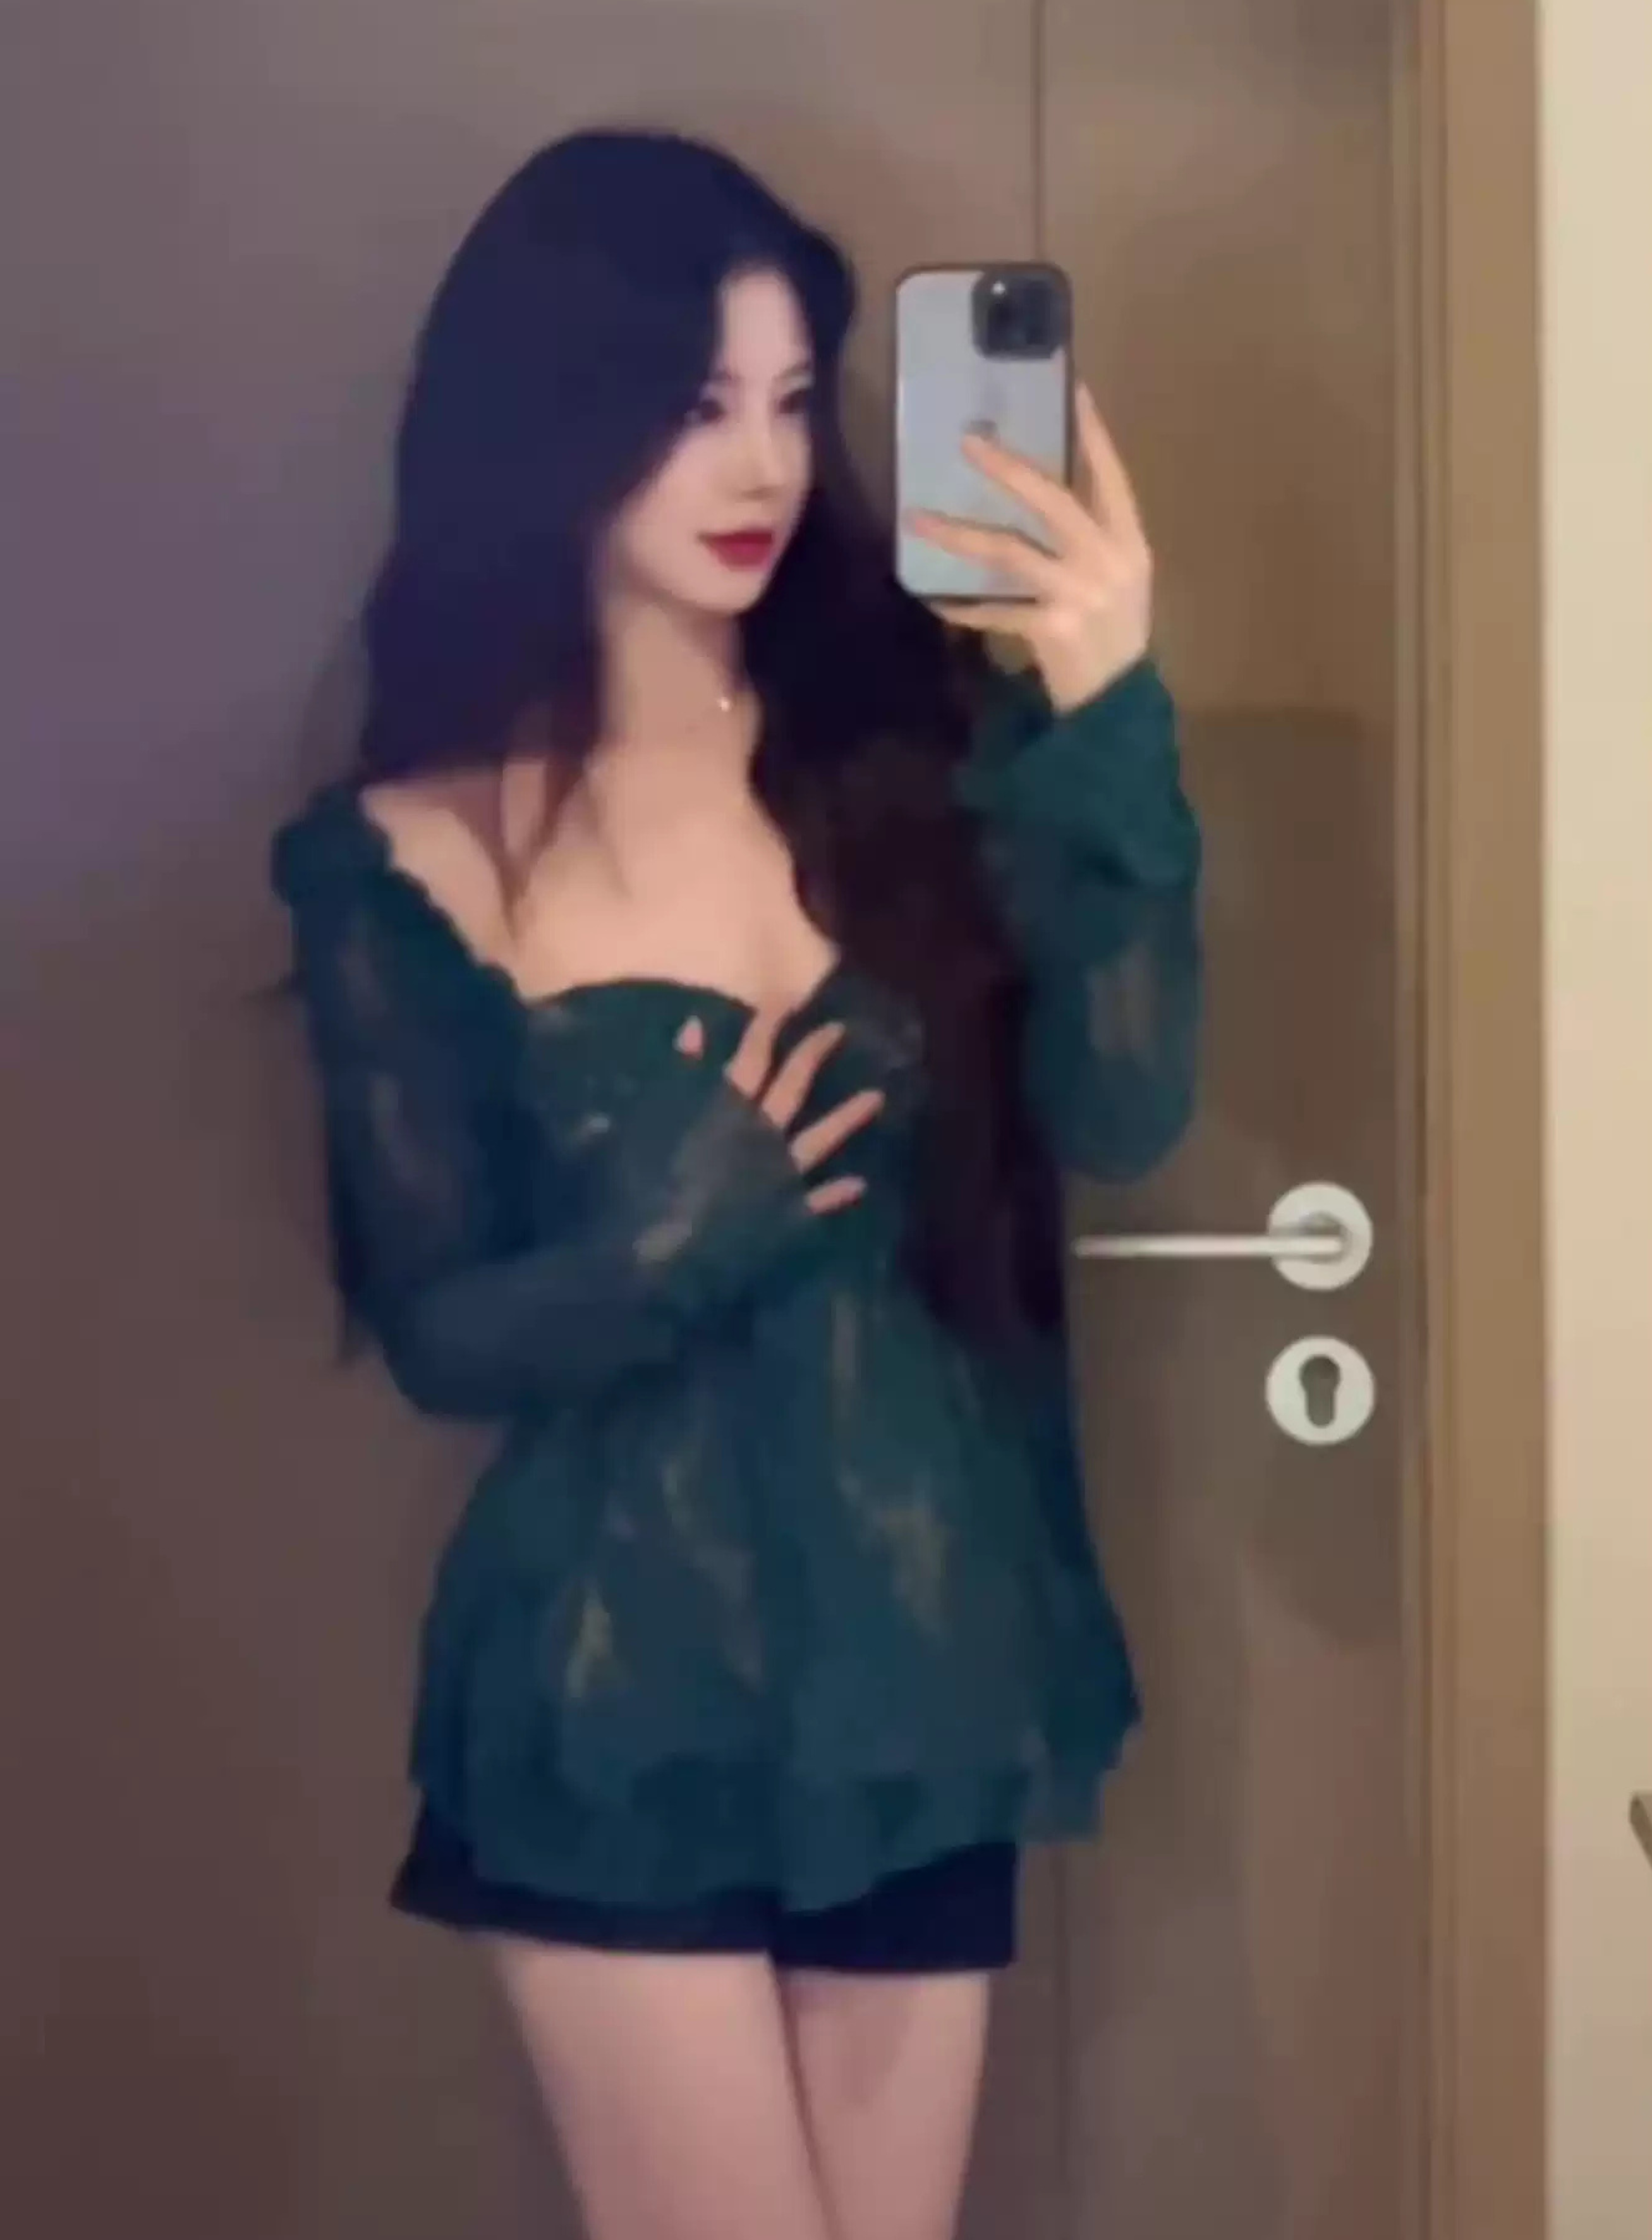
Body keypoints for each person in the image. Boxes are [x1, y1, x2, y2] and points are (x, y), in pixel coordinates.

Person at [272, 128, 1199, 2240]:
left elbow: (1129, 1106)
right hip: (620, 1695)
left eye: (791, 399)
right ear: (558, 418)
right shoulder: (414, 843)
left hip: (930, 1672)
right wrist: (687, 1234)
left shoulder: (928, 758)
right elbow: (442, 1332)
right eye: (698, 405)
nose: (764, 463)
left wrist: (1108, 706)